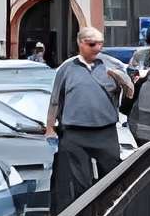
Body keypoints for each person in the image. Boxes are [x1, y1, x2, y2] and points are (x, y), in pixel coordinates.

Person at [46, 25, 132, 205]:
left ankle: (108, 213)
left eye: (100, 44)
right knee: (79, 183)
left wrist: (121, 79)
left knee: (111, 177)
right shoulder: (67, 68)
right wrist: (49, 128)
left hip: (105, 131)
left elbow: (130, 93)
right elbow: (55, 100)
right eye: (92, 44)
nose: (97, 48)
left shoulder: (112, 65)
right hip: (75, 132)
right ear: (80, 43)